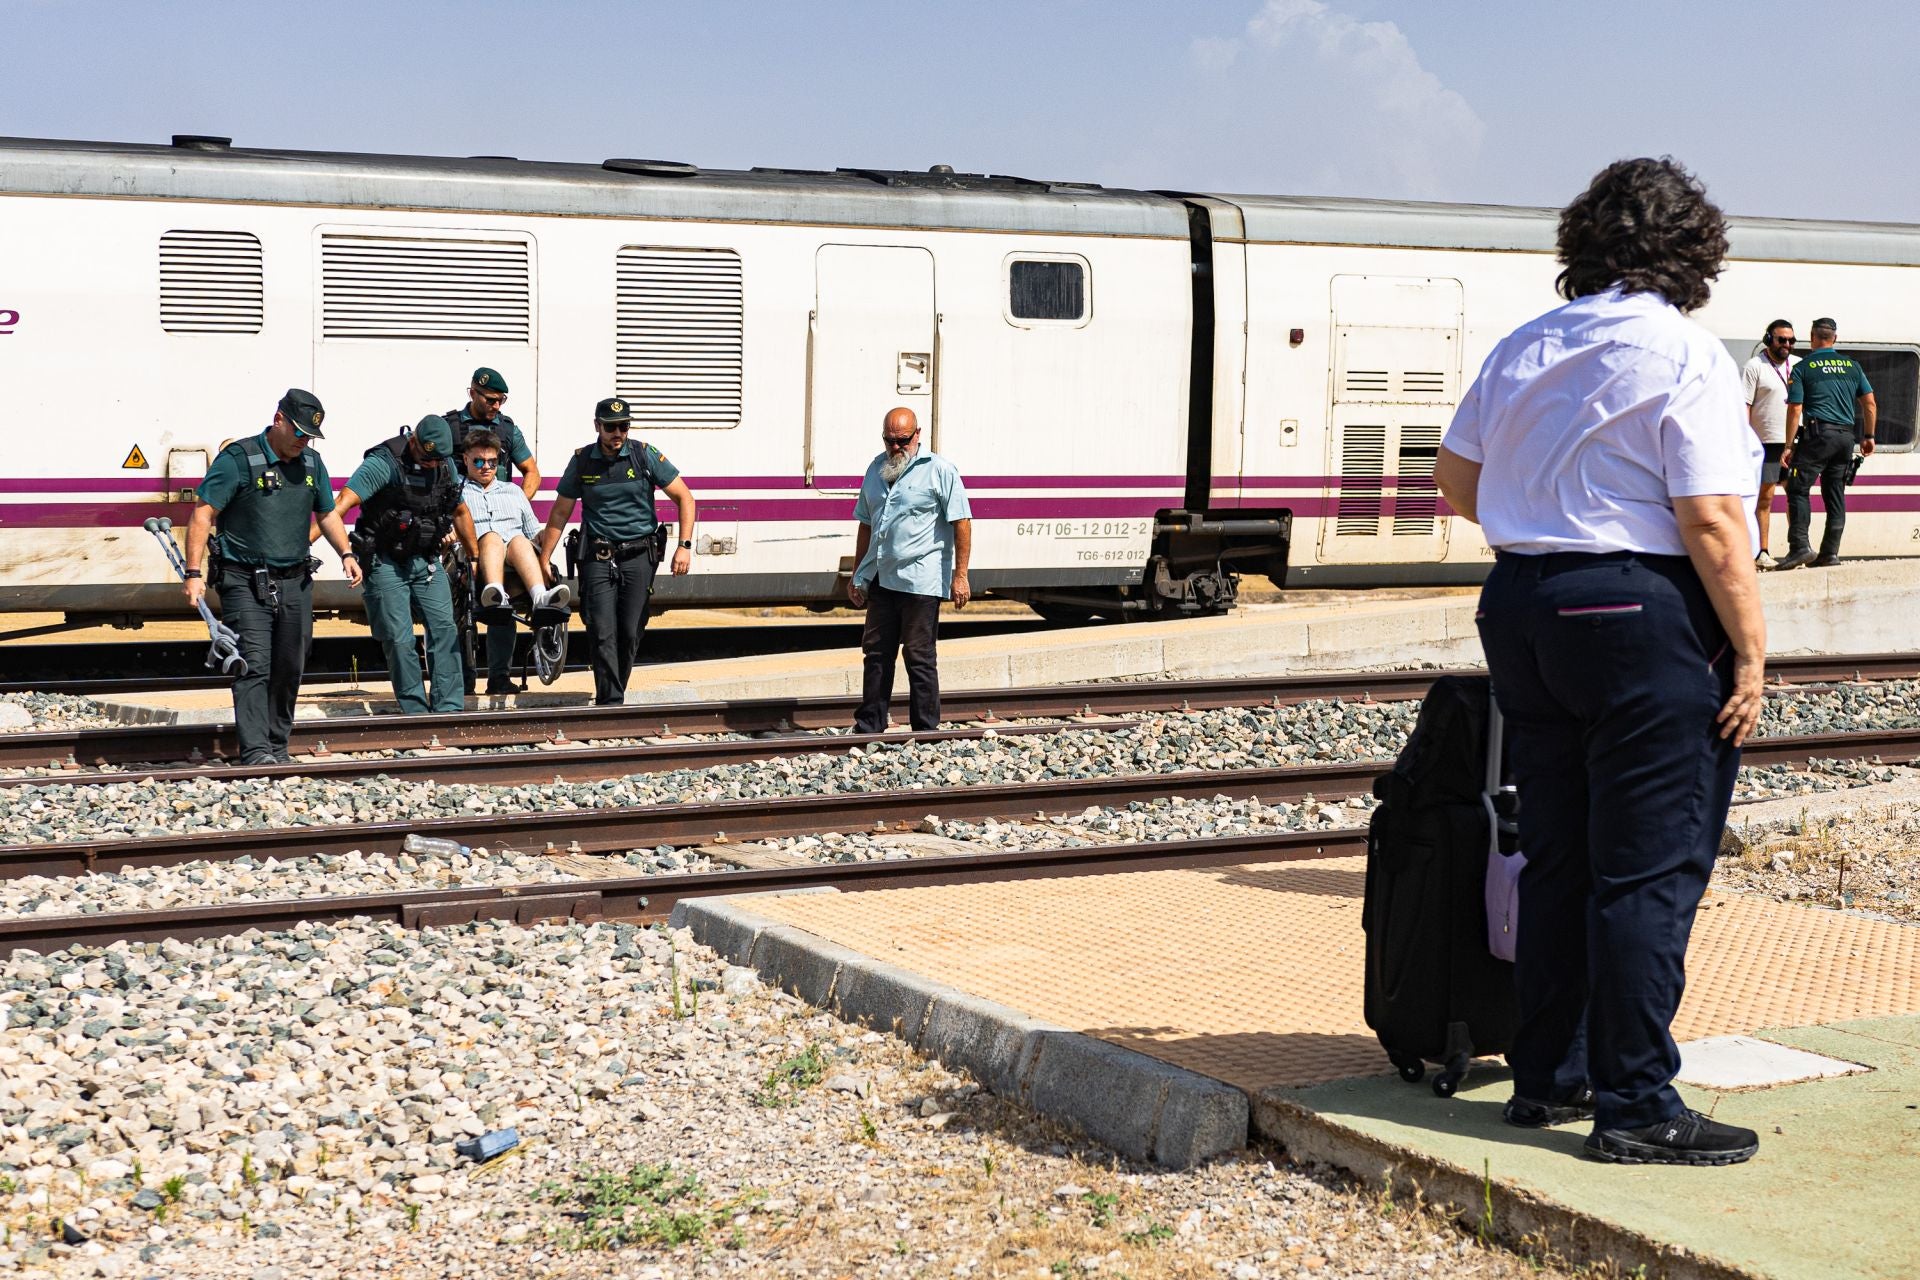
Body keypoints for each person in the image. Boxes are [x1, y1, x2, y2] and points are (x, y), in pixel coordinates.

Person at [1433, 157, 1765, 1166]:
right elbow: (1710, 518)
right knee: (1648, 868)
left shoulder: (1526, 343)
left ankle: (1550, 1074)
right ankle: (1637, 1103)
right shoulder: (1684, 350)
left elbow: (1456, 476)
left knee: (1561, 856)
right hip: (1638, 609)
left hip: (1524, 604)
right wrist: (1749, 650)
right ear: (1693, 250)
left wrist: (1544, 518)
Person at [185, 389, 362, 764]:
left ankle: (277, 747)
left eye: (309, 436)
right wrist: (194, 572)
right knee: (253, 664)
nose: (303, 441)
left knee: (290, 665)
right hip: (244, 579)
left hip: (295, 581)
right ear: (278, 419)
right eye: (298, 432)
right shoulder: (239, 459)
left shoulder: (312, 464)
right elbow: (203, 514)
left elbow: (327, 513)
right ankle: (256, 751)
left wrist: (345, 552)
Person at [536, 397, 696, 705]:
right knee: (601, 629)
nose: (617, 433)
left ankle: (614, 693)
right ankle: (610, 703)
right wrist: (544, 557)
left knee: (630, 630)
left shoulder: (643, 455)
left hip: (639, 555)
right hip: (598, 555)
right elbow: (560, 513)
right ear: (598, 426)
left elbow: (685, 498)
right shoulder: (582, 461)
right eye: (611, 427)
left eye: (623, 426)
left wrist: (684, 547)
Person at [330, 414, 472, 714]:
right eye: (427, 457)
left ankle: (448, 709)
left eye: (438, 460)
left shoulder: (444, 465)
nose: (432, 464)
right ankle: (416, 712)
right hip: (385, 561)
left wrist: (473, 555)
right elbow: (341, 503)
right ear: (413, 441)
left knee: (445, 628)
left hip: (425, 560)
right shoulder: (385, 462)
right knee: (399, 639)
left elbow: (460, 510)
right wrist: (321, 546)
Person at [847, 406, 972, 733]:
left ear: (918, 435)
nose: (895, 448)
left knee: (919, 657)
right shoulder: (876, 469)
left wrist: (960, 575)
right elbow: (865, 524)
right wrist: (857, 574)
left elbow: (961, 522)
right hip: (882, 579)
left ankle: (926, 730)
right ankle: (869, 726)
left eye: (902, 440)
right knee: (876, 654)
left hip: (921, 580)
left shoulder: (939, 470)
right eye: (890, 440)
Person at [445, 367, 541, 693]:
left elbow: (531, 473)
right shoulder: (450, 428)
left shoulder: (508, 430)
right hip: (459, 526)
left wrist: (511, 504)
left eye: (501, 400)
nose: (496, 406)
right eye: (490, 399)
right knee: (458, 603)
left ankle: (499, 677)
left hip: (500, 529)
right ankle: (465, 679)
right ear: (472, 392)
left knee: (505, 603)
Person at [1779, 318, 1876, 569]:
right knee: (1834, 492)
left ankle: (1799, 547)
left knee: (1798, 488)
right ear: (1834, 338)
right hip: (1846, 438)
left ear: (1812, 336)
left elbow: (1796, 407)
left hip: (1818, 436)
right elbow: (1870, 403)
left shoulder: (1804, 367)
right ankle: (1830, 553)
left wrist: (1789, 446)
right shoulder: (1852, 367)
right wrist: (1869, 436)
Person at [458, 428, 569, 613]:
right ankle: (497, 594)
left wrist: (546, 536)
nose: (485, 467)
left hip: (515, 556)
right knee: (492, 537)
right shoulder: (458, 492)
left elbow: (533, 531)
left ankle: (540, 596)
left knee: (520, 541)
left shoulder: (514, 491)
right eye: (478, 461)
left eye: (492, 462)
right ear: (465, 460)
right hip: (476, 555)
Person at [1741, 320, 1798, 568]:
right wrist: (1743, 437)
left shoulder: (1797, 365)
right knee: (1765, 497)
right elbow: (1745, 404)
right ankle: (1762, 551)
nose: (1786, 344)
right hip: (1765, 441)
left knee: (1795, 495)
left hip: (1793, 443)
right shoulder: (1754, 366)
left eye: (1791, 340)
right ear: (1768, 339)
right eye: (1781, 339)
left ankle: (1798, 548)